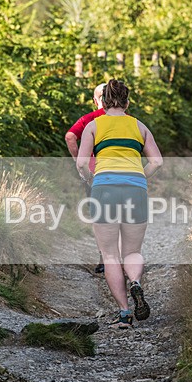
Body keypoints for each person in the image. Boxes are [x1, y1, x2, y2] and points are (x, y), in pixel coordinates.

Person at [76, 79, 163, 329]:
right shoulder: (139, 126)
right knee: (132, 251)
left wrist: (91, 179)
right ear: (127, 102)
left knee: (110, 254)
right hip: (135, 189)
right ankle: (135, 282)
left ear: (102, 102)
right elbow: (157, 161)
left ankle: (125, 314)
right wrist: (139, 177)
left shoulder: (94, 126)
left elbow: (81, 163)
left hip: (104, 188)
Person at [66, 83, 107, 273]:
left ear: (95, 100)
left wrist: (79, 162)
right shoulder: (127, 119)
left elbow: (70, 137)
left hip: (94, 174)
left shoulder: (88, 119)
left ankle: (104, 259)